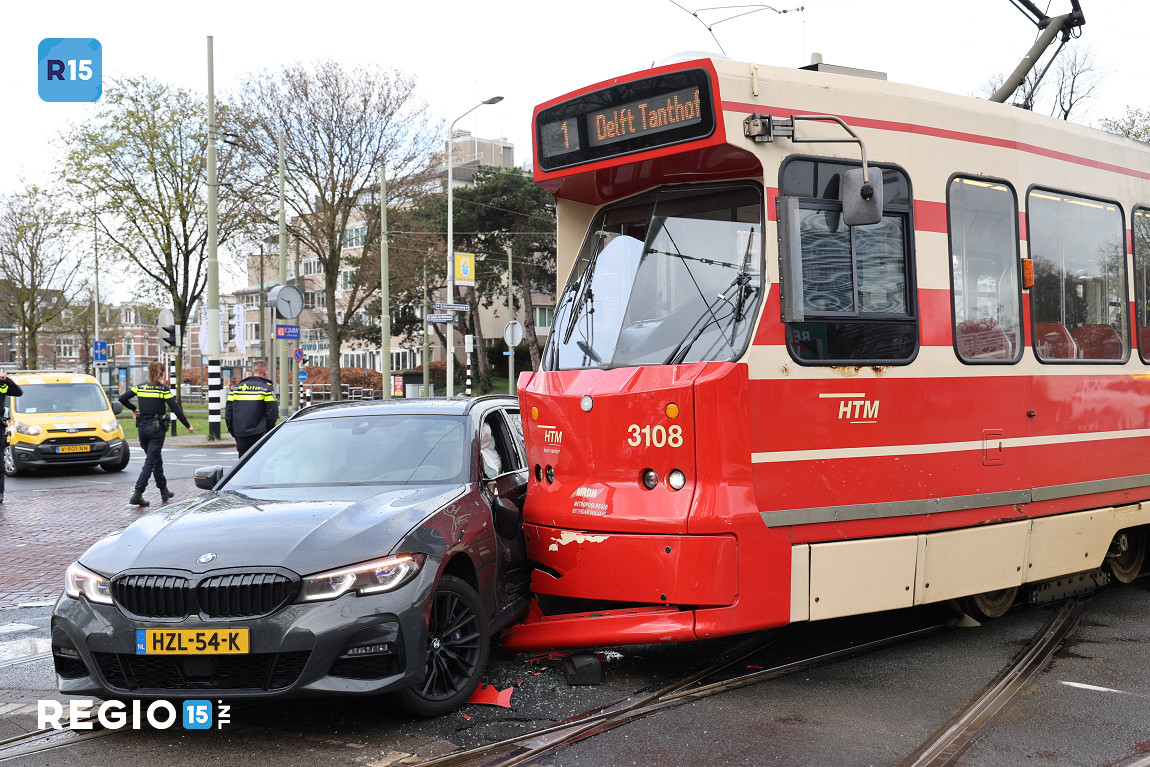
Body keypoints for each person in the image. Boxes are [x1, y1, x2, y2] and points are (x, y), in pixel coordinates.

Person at [119, 361, 193, 507]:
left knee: (155, 460)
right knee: (150, 462)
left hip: (142, 429)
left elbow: (122, 398)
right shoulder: (163, 390)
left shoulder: (140, 387)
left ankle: (164, 490)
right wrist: (188, 425)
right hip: (157, 430)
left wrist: (134, 408)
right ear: (162, 374)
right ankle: (137, 493)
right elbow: (176, 409)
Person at [226, 360, 278, 457]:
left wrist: (233, 431)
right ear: (266, 372)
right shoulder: (266, 389)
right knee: (258, 462)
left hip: (240, 433)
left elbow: (228, 413)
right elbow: (272, 413)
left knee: (242, 464)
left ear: (253, 372)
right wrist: (268, 430)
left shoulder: (236, 389)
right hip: (259, 433)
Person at [0, 371, 24, 504]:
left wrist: (6, 379)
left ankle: (0, 493)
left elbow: (18, 392)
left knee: (0, 464)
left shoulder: (1, 384)